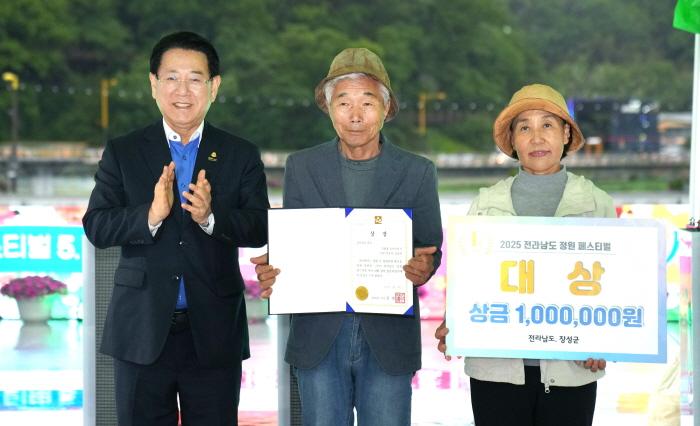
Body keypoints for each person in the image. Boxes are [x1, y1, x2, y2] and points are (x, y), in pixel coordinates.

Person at [82, 31, 269, 426]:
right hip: (141, 330)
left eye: (195, 79)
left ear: (214, 87)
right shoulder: (124, 151)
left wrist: (211, 218)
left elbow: (260, 226)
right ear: (154, 85)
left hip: (214, 333)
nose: (183, 91)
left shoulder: (239, 153)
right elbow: (97, 225)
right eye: (171, 78)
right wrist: (149, 215)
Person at [251, 47, 443, 425]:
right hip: (318, 336)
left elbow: (429, 249)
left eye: (367, 103)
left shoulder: (418, 171)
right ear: (328, 107)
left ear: (386, 109)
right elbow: (295, 245)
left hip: (388, 338)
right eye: (343, 103)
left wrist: (425, 268)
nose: (355, 115)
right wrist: (277, 267)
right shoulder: (302, 167)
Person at [435, 83, 614, 426]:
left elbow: (617, 286)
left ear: (565, 134)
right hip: (495, 370)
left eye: (547, 125)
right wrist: (455, 323)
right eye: (524, 128)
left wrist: (605, 342)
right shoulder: (486, 204)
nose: (537, 137)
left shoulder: (596, 203)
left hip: (571, 370)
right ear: (513, 141)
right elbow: (465, 279)